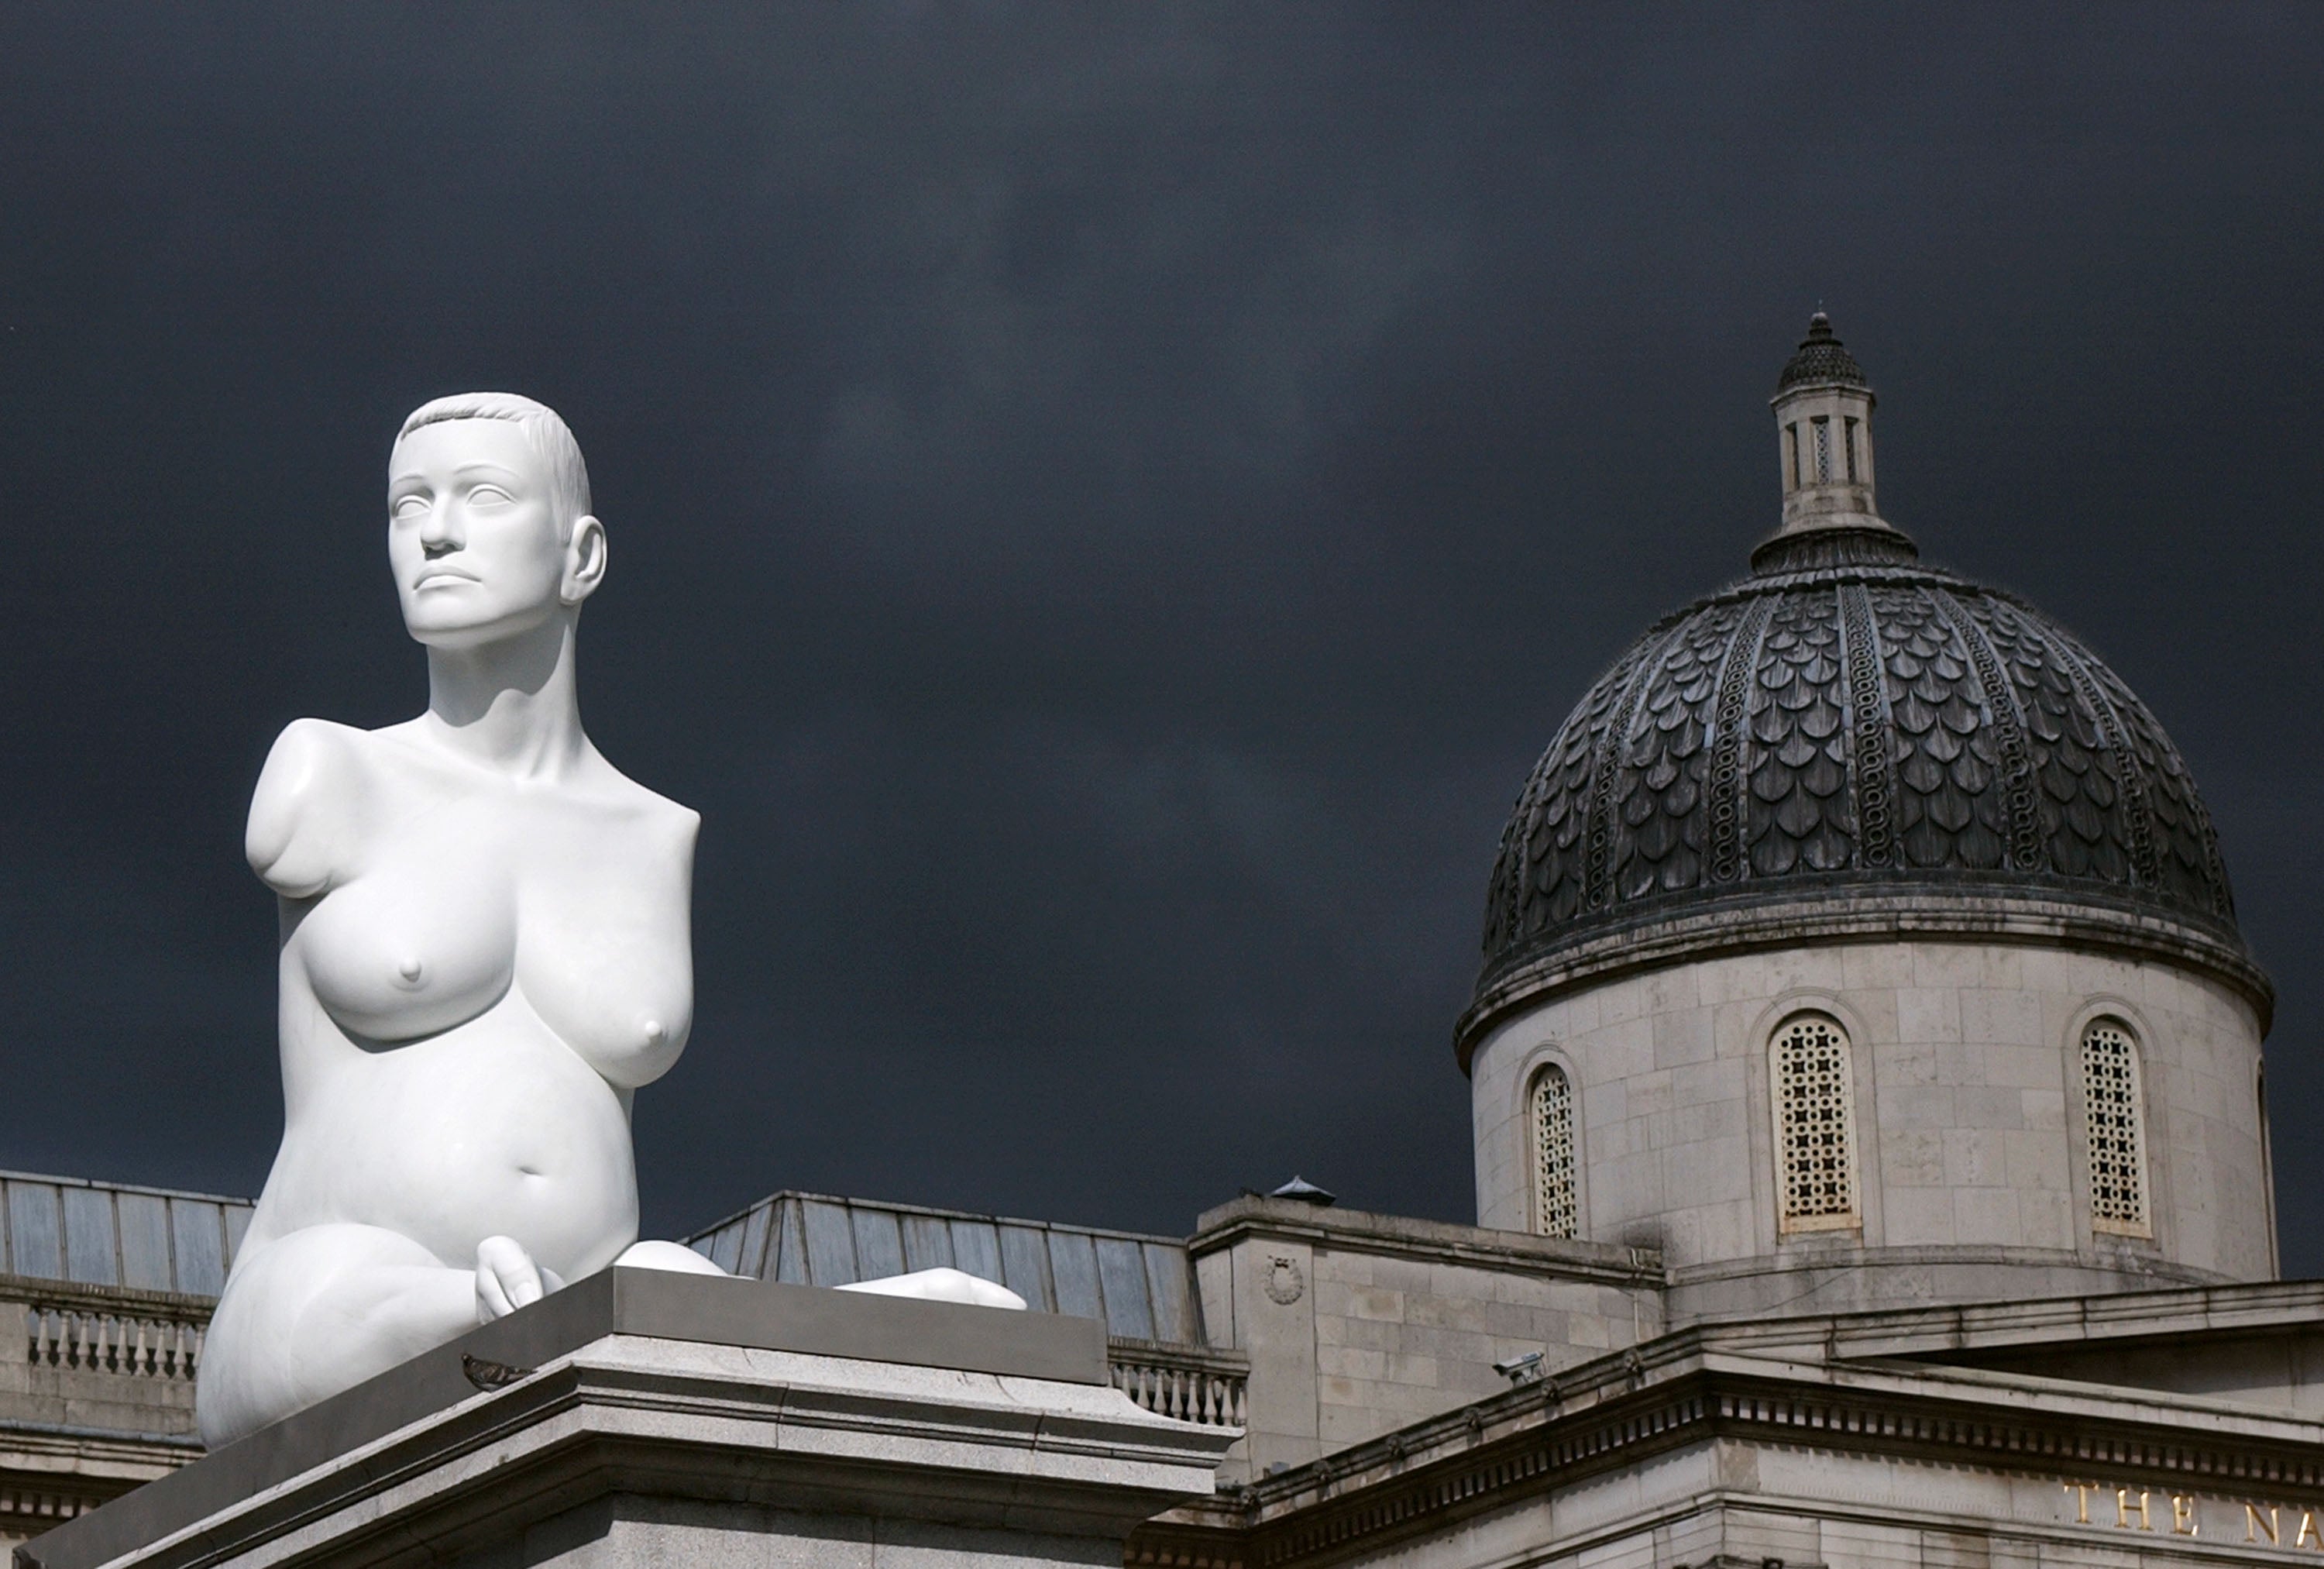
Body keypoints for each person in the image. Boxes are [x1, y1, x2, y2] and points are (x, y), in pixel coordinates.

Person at [197, 394, 1014, 1450]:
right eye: (408, 506)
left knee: (660, 1283)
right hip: (329, 1290)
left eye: (479, 496)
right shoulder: (330, 770)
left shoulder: (651, 832)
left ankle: (847, 1327)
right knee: (393, 1302)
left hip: (592, 1288)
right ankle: (506, 1322)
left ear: (582, 555)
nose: (433, 531)